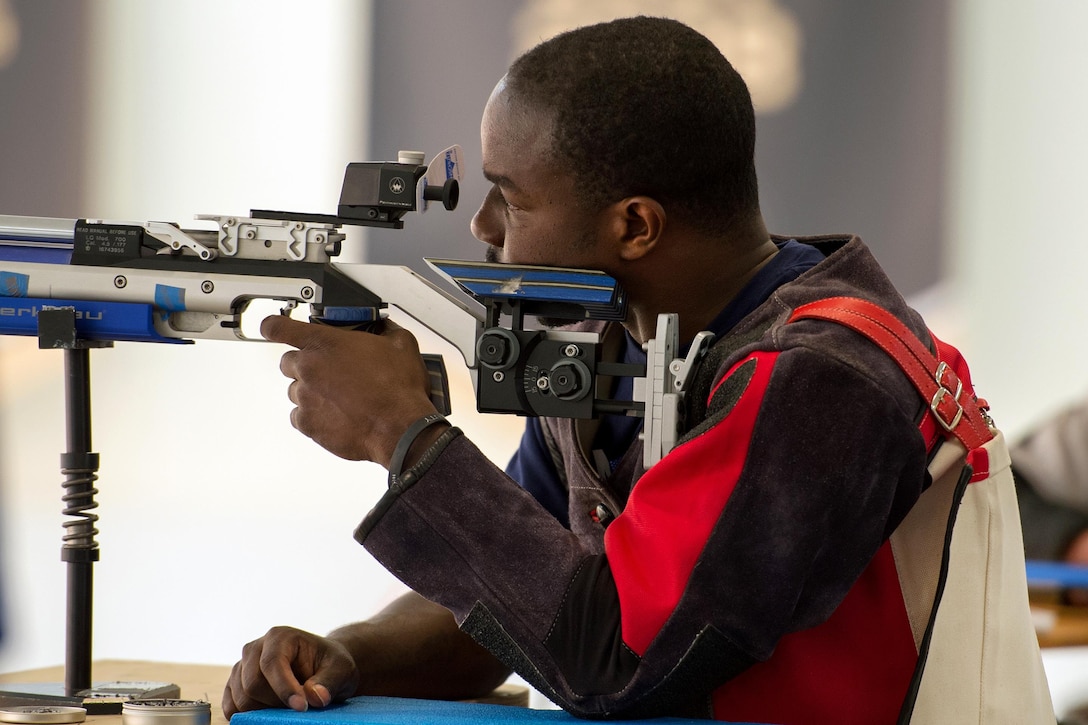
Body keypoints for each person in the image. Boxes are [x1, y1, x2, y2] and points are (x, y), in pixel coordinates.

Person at [222, 17, 1053, 724]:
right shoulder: (615, 338)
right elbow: (530, 594)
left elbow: (615, 662)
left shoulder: (819, 380)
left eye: (511, 198)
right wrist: (351, 653)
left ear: (636, 227)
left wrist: (399, 433)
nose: (482, 225)